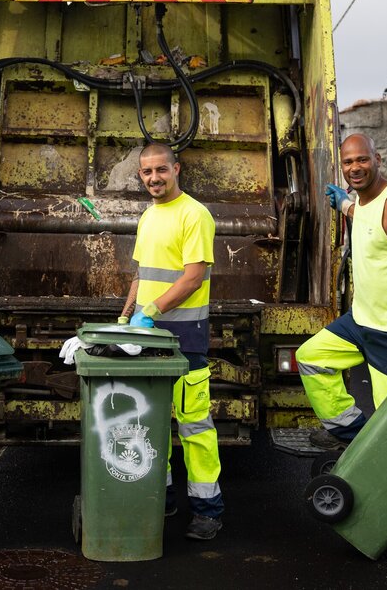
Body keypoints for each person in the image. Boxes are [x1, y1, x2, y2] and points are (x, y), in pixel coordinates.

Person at [298, 133, 387, 450]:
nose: (355, 167)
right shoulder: (362, 203)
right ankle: (353, 436)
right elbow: (366, 219)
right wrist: (346, 205)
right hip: (362, 320)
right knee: (311, 358)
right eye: (348, 162)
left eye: (362, 159)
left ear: (378, 159)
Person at [120, 142, 224, 541]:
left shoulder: (195, 215)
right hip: (148, 337)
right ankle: (160, 497)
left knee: (195, 426)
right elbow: (141, 275)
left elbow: (193, 277)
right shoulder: (149, 216)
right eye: (146, 173)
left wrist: (153, 312)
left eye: (160, 170)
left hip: (184, 339)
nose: (153, 178)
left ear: (176, 169)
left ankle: (208, 510)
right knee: (152, 422)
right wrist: (128, 315)